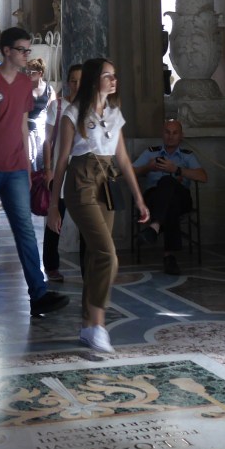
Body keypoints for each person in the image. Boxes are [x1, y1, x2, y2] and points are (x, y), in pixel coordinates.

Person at [0, 26, 69, 317]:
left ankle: (38, 294)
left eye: (28, 50)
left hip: (17, 169)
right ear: (7, 51)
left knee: (25, 231)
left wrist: (27, 166)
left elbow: (22, 124)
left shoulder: (23, 83)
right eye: (22, 50)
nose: (26, 55)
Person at [48, 57, 148, 353]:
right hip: (80, 182)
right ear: (94, 80)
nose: (114, 80)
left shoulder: (115, 114)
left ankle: (87, 325)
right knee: (108, 255)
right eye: (107, 75)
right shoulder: (73, 114)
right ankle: (98, 324)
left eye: (114, 75)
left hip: (107, 182)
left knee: (95, 256)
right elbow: (61, 161)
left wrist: (139, 197)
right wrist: (54, 206)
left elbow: (124, 159)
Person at [133, 119, 207, 275]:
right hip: (154, 198)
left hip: (182, 198)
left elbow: (203, 177)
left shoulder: (187, 156)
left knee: (168, 183)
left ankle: (154, 226)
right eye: (167, 132)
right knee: (170, 202)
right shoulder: (151, 153)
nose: (171, 136)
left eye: (175, 133)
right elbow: (130, 172)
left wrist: (177, 170)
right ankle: (169, 257)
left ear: (181, 136)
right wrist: (148, 167)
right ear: (162, 134)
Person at [41, 62, 81, 281]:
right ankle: (51, 265)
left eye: (81, 81)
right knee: (55, 217)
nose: (77, 85)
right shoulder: (57, 106)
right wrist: (48, 169)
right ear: (68, 83)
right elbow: (48, 141)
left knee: (86, 221)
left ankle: (88, 267)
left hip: (82, 171)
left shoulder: (90, 108)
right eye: (73, 80)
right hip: (60, 170)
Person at [26, 56, 56, 170]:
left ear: (40, 73)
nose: (29, 74)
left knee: (41, 156)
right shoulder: (24, 89)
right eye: (27, 71)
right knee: (29, 158)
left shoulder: (49, 90)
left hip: (42, 127)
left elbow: (53, 110)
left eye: (32, 72)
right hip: (27, 127)